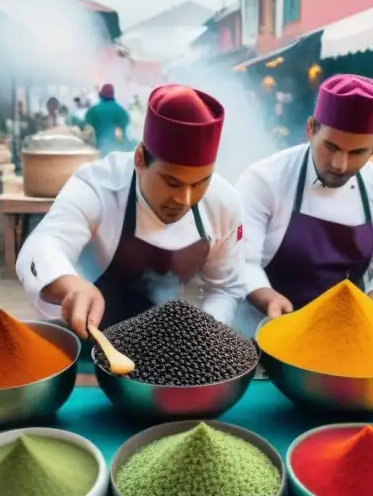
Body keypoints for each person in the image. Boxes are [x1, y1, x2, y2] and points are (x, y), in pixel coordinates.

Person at [16, 84, 245, 339]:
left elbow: (225, 288)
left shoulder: (224, 203)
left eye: (201, 182)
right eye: (172, 183)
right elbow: (42, 244)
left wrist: (204, 337)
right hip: (89, 338)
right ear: (139, 159)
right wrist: (71, 286)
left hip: (164, 349)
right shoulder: (98, 185)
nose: (185, 199)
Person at [235, 74, 373, 334]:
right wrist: (268, 298)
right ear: (311, 129)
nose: (340, 165)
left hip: (343, 334)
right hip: (263, 330)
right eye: (330, 147)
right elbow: (241, 262)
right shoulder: (264, 179)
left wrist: (366, 309)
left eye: (357, 153)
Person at [85, 84, 132, 155]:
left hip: (99, 148)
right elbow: (123, 129)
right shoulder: (121, 111)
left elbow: (87, 128)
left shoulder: (93, 110)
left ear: (101, 95)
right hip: (118, 150)